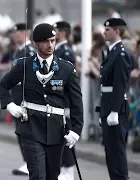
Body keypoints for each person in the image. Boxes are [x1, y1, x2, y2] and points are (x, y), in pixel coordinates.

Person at [0, 23, 83, 180]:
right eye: (46, 41)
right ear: (36, 43)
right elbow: (3, 86)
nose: (50, 45)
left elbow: (77, 102)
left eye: (52, 40)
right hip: (31, 128)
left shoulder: (66, 69)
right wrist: (10, 105)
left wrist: (76, 130)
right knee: (37, 175)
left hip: (56, 130)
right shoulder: (24, 65)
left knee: (52, 176)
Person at [99, 18, 132, 180]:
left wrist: (114, 111)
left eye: (108, 29)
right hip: (108, 105)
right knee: (110, 151)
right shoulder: (112, 51)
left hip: (116, 107)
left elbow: (120, 84)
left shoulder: (121, 53)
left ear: (117, 31)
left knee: (117, 151)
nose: (105, 32)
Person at [10, 23, 36, 176]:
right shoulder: (19, 51)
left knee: (27, 132)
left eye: (18, 32)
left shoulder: (29, 51)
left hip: (25, 97)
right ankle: (27, 161)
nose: (15, 35)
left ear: (25, 33)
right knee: (21, 131)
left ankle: (31, 162)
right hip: (17, 96)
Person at [53, 21, 76, 180]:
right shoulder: (58, 49)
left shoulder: (65, 51)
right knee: (58, 134)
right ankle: (63, 167)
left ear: (61, 33)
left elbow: (65, 79)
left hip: (64, 99)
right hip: (57, 98)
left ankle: (68, 170)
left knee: (66, 134)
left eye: (54, 32)